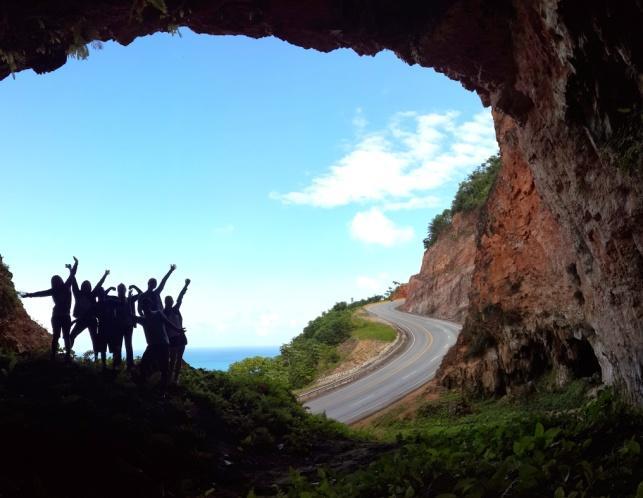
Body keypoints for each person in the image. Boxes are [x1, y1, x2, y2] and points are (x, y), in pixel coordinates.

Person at [21, 257, 78, 360]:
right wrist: (75, 264)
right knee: (65, 336)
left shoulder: (55, 290)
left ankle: (54, 356)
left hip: (57, 316)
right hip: (64, 316)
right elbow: (72, 274)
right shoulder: (65, 287)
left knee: (57, 336)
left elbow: (40, 294)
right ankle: (66, 356)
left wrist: (29, 295)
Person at [135, 298, 184, 390]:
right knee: (144, 364)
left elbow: (168, 323)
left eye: (146, 305)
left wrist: (177, 330)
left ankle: (162, 389)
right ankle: (145, 384)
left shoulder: (158, 313)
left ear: (149, 306)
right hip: (154, 345)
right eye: (143, 306)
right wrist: (129, 299)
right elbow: (131, 316)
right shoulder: (143, 318)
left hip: (162, 344)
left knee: (164, 368)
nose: (145, 307)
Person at [69, 267, 110, 361]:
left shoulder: (88, 294)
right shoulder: (79, 294)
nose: (86, 287)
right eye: (85, 285)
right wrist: (71, 271)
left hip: (90, 320)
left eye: (87, 285)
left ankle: (95, 359)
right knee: (72, 336)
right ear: (83, 286)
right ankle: (68, 354)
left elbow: (99, 284)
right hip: (83, 320)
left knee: (94, 339)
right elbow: (74, 282)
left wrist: (105, 275)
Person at [165, 278, 190, 384]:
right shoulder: (163, 313)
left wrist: (185, 286)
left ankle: (175, 379)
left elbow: (180, 298)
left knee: (179, 358)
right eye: (168, 301)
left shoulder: (175, 310)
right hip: (172, 339)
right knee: (173, 359)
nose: (170, 302)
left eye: (171, 301)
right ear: (166, 302)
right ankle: (170, 378)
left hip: (180, 337)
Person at [113, 283, 138, 369]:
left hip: (127, 326)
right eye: (120, 289)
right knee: (120, 345)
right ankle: (119, 364)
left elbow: (141, 294)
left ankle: (127, 364)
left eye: (122, 289)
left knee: (127, 345)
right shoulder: (115, 300)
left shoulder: (128, 299)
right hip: (120, 326)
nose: (121, 291)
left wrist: (134, 287)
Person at [94, 286, 118, 369]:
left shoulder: (99, 304)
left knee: (105, 348)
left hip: (104, 328)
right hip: (107, 328)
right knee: (107, 348)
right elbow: (121, 302)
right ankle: (111, 366)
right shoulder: (110, 301)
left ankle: (107, 366)